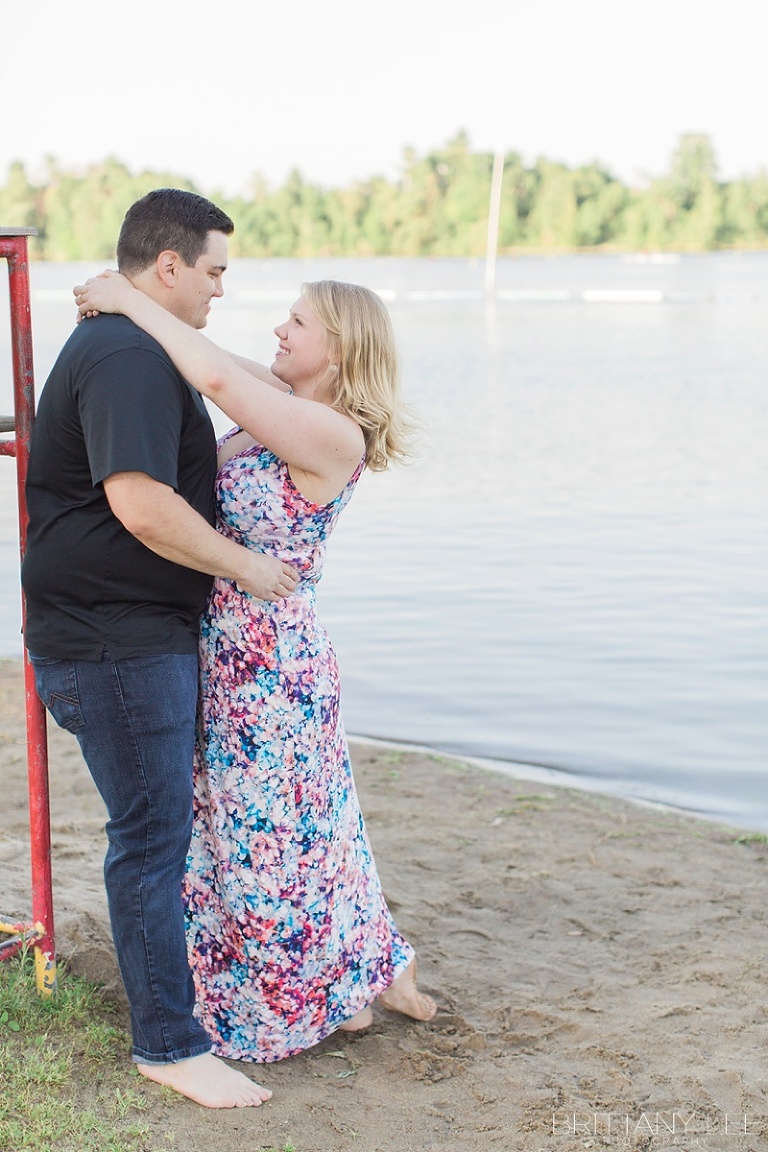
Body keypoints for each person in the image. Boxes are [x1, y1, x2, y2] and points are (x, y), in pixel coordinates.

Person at [72, 269, 438, 1065]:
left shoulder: (333, 434)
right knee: (278, 831)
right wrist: (141, 318)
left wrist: (133, 300)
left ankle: (326, 993)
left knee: (275, 841)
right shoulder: (287, 408)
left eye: (296, 324)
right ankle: (359, 976)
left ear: (338, 351)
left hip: (271, 660)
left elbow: (209, 374)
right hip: (223, 643)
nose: (278, 331)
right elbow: (219, 364)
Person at [21, 189, 299, 1109]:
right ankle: (170, 1046)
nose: (223, 287)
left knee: (154, 837)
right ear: (169, 265)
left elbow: (216, 407)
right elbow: (141, 504)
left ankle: (177, 1021)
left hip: (123, 634)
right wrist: (248, 570)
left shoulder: (137, 345)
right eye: (216, 269)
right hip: (115, 642)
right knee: (151, 843)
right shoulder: (127, 357)